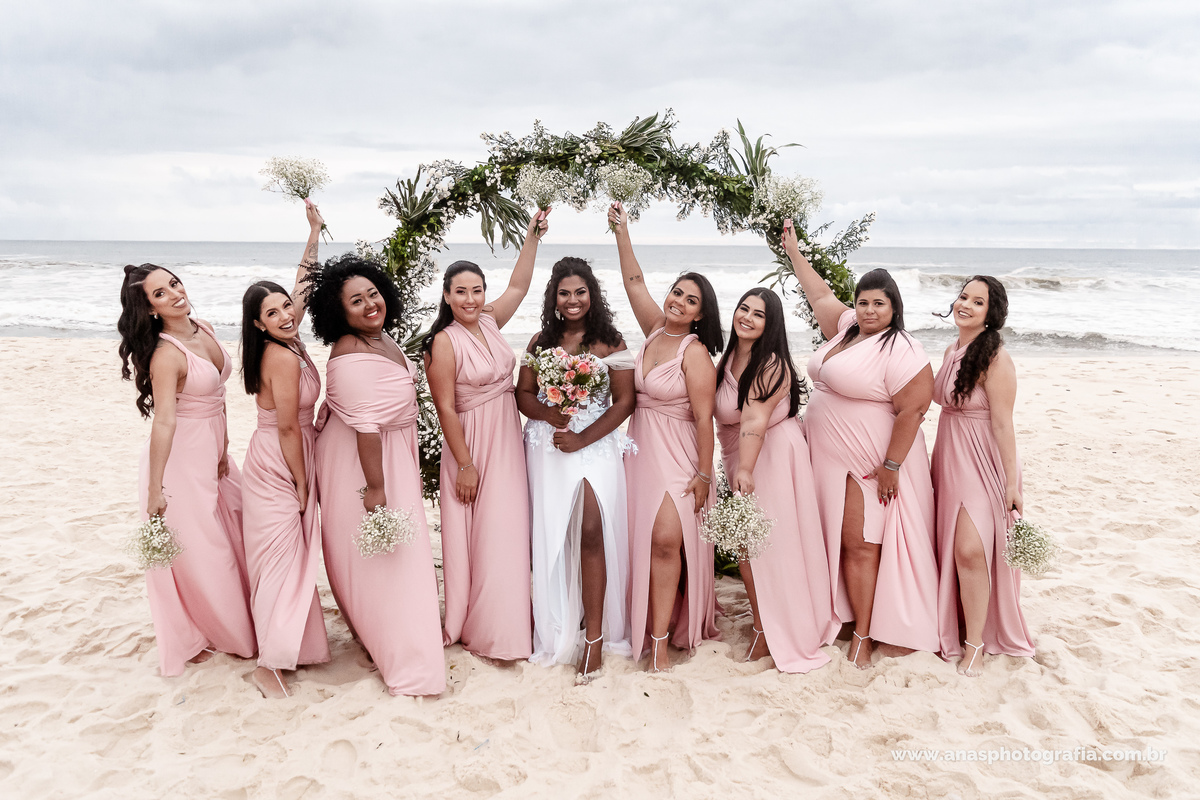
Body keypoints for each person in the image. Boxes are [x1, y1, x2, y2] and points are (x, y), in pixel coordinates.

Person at [780, 218, 939, 669]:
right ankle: (848, 619)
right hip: (824, 456)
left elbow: (913, 410)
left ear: (894, 307)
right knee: (832, 537)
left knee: (861, 542)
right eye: (863, 302)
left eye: (879, 304)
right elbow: (819, 295)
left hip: (866, 461)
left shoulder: (902, 348)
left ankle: (865, 635)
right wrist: (795, 253)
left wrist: (891, 465)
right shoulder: (848, 328)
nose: (869, 311)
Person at [308, 254, 445, 696]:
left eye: (373, 293)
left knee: (396, 553)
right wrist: (377, 488)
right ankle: (394, 648)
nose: (370, 304)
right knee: (381, 557)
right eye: (355, 301)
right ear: (338, 312)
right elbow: (366, 424)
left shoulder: (381, 338)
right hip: (364, 463)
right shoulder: (348, 352)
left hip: (389, 453)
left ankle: (389, 635)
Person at [118, 264, 256, 677]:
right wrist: (155, 489)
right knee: (204, 549)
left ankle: (234, 619)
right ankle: (222, 634)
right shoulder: (165, 355)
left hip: (213, 452)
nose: (175, 294)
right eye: (161, 294)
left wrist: (226, 443)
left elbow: (219, 393)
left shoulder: (204, 328)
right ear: (151, 309)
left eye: (174, 283)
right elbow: (164, 422)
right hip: (179, 462)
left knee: (232, 532)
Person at [423, 211, 548, 661]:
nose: (471, 299)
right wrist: (465, 464)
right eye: (462, 292)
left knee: (508, 531)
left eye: (477, 290)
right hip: (472, 443)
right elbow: (445, 408)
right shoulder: (443, 340)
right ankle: (486, 628)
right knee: (484, 533)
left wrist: (531, 236)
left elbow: (519, 286)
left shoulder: (492, 320)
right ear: (447, 295)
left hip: (506, 438)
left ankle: (509, 621)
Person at [608, 201, 723, 672]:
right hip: (640, 451)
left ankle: (658, 641)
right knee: (645, 542)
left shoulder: (695, 355)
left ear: (700, 315)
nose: (678, 302)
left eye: (690, 300)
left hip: (678, 456)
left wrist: (703, 474)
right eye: (676, 292)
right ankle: (650, 628)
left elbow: (703, 420)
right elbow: (634, 282)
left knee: (665, 541)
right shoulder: (655, 331)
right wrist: (621, 231)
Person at [516, 257, 637, 681]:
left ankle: (596, 638)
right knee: (556, 531)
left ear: (592, 294)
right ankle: (561, 623)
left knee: (590, 528)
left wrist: (583, 438)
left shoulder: (610, 340)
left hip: (595, 443)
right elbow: (523, 396)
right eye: (564, 293)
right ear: (554, 296)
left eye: (580, 292)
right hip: (550, 444)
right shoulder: (540, 341)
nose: (572, 301)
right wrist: (551, 417)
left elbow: (625, 402)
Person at [714, 288, 835, 673]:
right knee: (748, 548)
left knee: (766, 545)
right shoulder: (730, 356)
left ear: (772, 324)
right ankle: (764, 620)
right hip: (741, 455)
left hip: (772, 455)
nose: (747, 317)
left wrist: (745, 470)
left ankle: (771, 628)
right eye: (743, 309)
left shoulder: (771, 364)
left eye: (759, 314)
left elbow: (753, 422)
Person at [238, 200, 331, 698]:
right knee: (280, 557)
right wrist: (301, 482)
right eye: (270, 313)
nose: (284, 314)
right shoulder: (281, 357)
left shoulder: (287, 338)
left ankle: (291, 645)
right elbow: (291, 430)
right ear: (258, 325)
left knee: (290, 557)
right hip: (281, 460)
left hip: (283, 451)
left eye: (284, 307)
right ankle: (266, 664)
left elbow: (303, 286)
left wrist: (313, 233)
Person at [932, 276, 1034, 676]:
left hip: (982, 459)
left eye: (977, 302)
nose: (966, 306)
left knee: (971, 550)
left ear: (990, 314)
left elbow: (1003, 425)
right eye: (963, 297)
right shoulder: (952, 348)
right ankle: (959, 625)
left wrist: (1011, 482)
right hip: (949, 453)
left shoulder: (997, 357)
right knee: (954, 547)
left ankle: (975, 642)